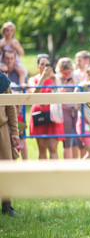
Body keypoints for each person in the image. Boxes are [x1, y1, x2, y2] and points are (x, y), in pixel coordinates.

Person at [28, 54, 64, 159]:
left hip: (53, 114)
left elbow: (59, 93)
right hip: (39, 114)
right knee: (42, 148)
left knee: (53, 147)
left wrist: (53, 79)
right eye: (42, 64)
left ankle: (55, 174)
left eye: (47, 64)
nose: (44, 66)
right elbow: (33, 94)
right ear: (37, 66)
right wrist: (43, 78)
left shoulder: (55, 78)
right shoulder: (33, 79)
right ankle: (42, 174)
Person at [0, 71, 20, 216]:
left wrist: (14, 131)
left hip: (2, 130)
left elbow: (11, 108)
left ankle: (7, 205)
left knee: (5, 168)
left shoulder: (2, 80)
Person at [55, 57, 79, 159]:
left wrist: (75, 84)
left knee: (78, 138)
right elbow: (58, 94)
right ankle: (67, 165)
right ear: (60, 71)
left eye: (69, 72)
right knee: (67, 139)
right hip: (64, 108)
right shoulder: (57, 78)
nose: (67, 75)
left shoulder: (75, 76)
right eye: (64, 73)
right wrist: (65, 86)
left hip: (75, 108)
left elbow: (79, 91)